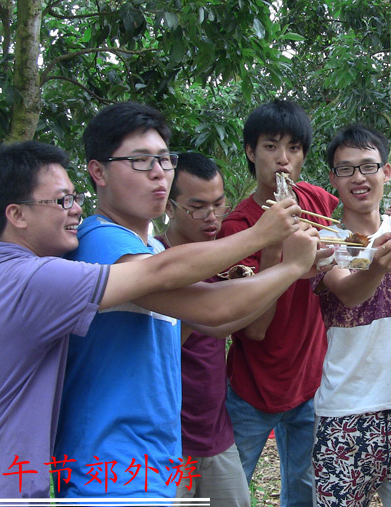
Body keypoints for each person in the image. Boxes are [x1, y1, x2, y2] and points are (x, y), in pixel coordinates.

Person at [0, 141, 308, 498]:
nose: (76, 210)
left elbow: (211, 314)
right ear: (17, 215)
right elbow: (159, 274)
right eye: (62, 201)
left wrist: (283, 263)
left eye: (164, 161)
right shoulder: (34, 277)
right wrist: (268, 242)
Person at [54, 102, 320, 498]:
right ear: (98, 172)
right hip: (108, 465)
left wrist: (287, 268)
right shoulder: (100, 241)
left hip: (154, 457)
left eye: (164, 160)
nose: (158, 173)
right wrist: (278, 253)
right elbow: (213, 306)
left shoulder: (146, 247)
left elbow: (217, 320)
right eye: (140, 161)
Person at [311, 124, 391, 506]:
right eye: (346, 169)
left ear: (386, 172)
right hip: (344, 413)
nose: (359, 178)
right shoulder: (325, 240)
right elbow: (348, 293)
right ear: (333, 179)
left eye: (368, 166)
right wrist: (378, 267)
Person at [217, 100, 338, 506]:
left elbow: (353, 227)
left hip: (311, 385)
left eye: (294, 148)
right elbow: (254, 329)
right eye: (270, 146)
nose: (283, 159)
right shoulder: (237, 229)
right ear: (251, 152)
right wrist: (272, 247)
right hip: (252, 391)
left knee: (304, 491)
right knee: (230, 491)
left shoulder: (317, 202)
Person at [156, 152, 249, 506]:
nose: (212, 217)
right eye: (197, 208)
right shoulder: (152, 261)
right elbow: (210, 324)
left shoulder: (219, 261)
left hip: (215, 431)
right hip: (168, 441)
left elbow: (230, 325)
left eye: (219, 205)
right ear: (168, 206)